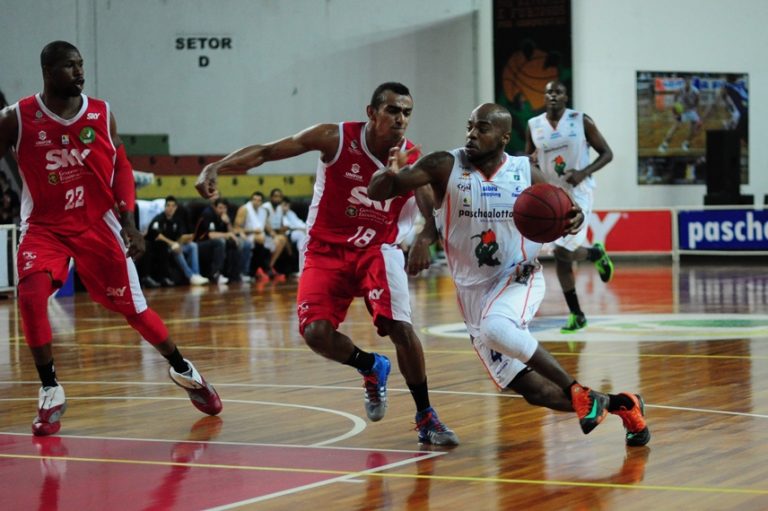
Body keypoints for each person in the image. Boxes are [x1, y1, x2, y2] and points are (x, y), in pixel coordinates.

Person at [368, 103, 649, 447]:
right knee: (535, 391)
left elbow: (568, 209)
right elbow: (380, 191)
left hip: (518, 277)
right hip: (471, 294)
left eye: (482, 128)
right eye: (469, 126)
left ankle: (578, 391)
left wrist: (573, 218)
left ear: (503, 137)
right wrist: (390, 172)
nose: (472, 134)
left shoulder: (524, 170)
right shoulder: (444, 164)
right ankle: (624, 405)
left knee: (497, 328)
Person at [196, 82, 458, 445]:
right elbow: (267, 152)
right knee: (315, 333)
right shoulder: (334, 138)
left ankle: (426, 415)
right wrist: (217, 166)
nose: (401, 119)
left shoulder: (411, 156)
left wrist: (425, 239)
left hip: (378, 249)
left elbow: (430, 207)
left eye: (407, 112)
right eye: (393, 110)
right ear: (371, 113)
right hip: (325, 249)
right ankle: (370, 366)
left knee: (400, 326)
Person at [0, 41, 222, 436]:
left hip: (97, 223)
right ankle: (50, 389)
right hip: (44, 226)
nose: (80, 72)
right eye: (70, 66)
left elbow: (121, 166)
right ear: (48, 71)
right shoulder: (16, 118)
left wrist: (129, 222)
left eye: (81, 64)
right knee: (30, 296)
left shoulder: (101, 114)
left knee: (135, 311)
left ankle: (183, 369)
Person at [525, 80, 614, 333]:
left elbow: (607, 153)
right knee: (562, 257)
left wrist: (583, 172)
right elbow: (529, 159)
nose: (553, 95)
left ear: (566, 97)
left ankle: (594, 258)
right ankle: (578, 312)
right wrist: (531, 163)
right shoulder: (533, 125)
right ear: (544, 97)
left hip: (579, 192)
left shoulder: (581, 120)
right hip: (551, 195)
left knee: (563, 253)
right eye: (549, 92)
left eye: (558, 92)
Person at [145, 195, 209, 286]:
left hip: (174, 244)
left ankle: (196, 273)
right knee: (176, 248)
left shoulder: (177, 220)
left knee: (193, 245)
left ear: (176, 208)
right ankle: (190, 276)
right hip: (162, 247)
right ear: (165, 207)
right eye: (168, 205)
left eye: (173, 206)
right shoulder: (159, 219)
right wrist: (173, 243)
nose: (170, 208)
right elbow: (157, 235)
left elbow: (180, 236)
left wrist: (187, 239)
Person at [194, 198, 251, 283]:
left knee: (238, 242)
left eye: (224, 208)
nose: (222, 210)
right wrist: (227, 235)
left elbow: (231, 233)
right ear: (215, 208)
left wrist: (228, 223)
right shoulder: (208, 214)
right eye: (220, 208)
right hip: (200, 243)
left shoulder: (224, 217)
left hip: (214, 243)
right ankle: (216, 274)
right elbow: (210, 235)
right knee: (220, 242)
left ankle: (235, 274)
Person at [657, 75, 703, 153]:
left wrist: (696, 112)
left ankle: (686, 143)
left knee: (694, 129)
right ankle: (664, 144)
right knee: (675, 128)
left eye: (689, 80)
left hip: (691, 111)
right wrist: (675, 112)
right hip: (682, 112)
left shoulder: (696, 92)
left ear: (691, 81)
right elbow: (675, 101)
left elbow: (697, 103)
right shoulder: (679, 90)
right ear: (684, 81)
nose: (688, 82)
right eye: (686, 80)